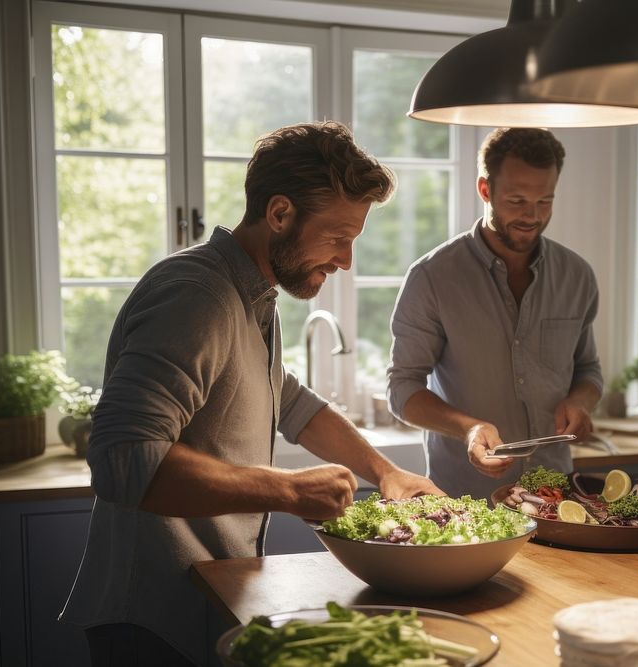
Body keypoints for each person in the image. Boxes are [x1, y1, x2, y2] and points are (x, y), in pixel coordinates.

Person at [60, 121, 442, 667]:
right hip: (148, 618)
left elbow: (287, 399)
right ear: (280, 213)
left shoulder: (251, 293)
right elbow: (122, 459)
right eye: (339, 237)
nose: (346, 260)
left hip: (202, 597)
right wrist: (287, 490)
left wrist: (385, 473)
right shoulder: (196, 295)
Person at [387, 127, 603, 500]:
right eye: (517, 200)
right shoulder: (433, 278)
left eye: (544, 201)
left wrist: (580, 402)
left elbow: (588, 370)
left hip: (556, 496)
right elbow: (402, 389)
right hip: (466, 503)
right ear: (485, 190)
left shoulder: (577, 276)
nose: (531, 216)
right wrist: (469, 429)